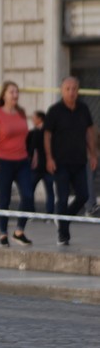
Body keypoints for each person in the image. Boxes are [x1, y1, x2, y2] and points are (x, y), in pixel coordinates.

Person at [44, 76, 98, 245]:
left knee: (84, 195)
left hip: (80, 161)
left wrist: (93, 154)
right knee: (62, 197)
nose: (72, 92)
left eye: (74, 88)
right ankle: (63, 233)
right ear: (62, 90)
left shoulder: (83, 109)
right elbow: (47, 135)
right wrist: (49, 158)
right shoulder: (54, 110)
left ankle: (64, 220)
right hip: (60, 163)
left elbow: (89, 132)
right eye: (68, 89)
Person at [0, 80, 34, 247]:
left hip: (22, 160)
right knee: (5, 198)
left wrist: (32, 155)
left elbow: (26, 136)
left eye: (16, 92)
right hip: (3, 161)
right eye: (11, 92)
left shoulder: (21, 113)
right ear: (4, 95)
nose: (15, 95)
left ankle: (19, 231)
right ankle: (2, 234)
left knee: (28, 196)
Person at [26, 110, 54, 215]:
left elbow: (30, 149)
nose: (32, 120)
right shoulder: (50, 132)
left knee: (30, 189)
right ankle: (49, 213)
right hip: (47, 166)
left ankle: (31, 211)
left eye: (34, 118)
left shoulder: (35, 132)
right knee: (49, 191)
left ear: (40, 119)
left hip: (37, 167)